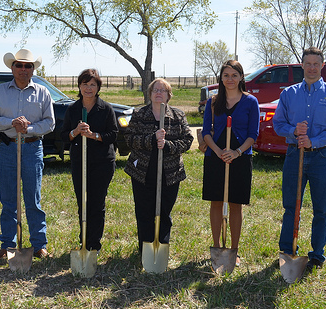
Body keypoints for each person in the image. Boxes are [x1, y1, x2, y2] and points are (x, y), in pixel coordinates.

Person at [273, 47, 326, 270]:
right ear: (302, 65)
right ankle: (287, 251)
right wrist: (294, 132)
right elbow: (278, 124)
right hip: (295, 155)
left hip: (322, 157)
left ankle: (316, 255)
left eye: (316, 63)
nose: (312, 68)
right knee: (290, 206)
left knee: (322, 209)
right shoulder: (288, 94)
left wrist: (313, 141)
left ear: (322, 65)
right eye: (308, 63)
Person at [0, 48, 55, 259]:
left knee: (33, 198)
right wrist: (11, 123)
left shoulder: (43, 93)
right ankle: (7, 244)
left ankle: (39, 244)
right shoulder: (0, 92)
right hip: (7, 148)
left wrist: (29, 129)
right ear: (12, 68)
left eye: (28, 66)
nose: (23, 69)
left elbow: (50, 123)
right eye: (19, 65)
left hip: (32, 148)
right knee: (8, 199)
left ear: (33, 69)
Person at [124, 78, 193, 253]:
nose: (158, 93)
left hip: (170, 173)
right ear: (150, 94)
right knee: (144, 212)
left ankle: (161, 247)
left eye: (163, 90)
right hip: (142, 172)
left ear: (169, 95)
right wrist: (151, 139)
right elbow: (129, 139)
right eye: (155, 90)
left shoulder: (177, 116)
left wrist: (168, 145)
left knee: (164, 213)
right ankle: (145, 249)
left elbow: (187, 141)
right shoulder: (140, 114)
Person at [202, 60, 259, 266]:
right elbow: (206, 131)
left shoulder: (251, 102)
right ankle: (217, 247)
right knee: (216, 202)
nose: (230, 79)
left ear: (241, 77)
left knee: (236, 204)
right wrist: (218, 152)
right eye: (226, 75)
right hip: (216, 157)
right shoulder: (213, 102)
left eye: (234, 75)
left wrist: (236, 152)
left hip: (240, 157)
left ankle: (234, 250)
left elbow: (253, 134)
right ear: (221, 78)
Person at [60, 69, 118, 251]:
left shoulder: (106, 109)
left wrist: (94, 135)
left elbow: (113, 134)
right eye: (85, 84)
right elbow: (63, 137)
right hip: (80, 162)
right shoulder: (73, 109)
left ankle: (94, 244)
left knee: (97, 203)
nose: (88, 88)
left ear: (98, 87)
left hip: (102, 163)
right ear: (79, 86)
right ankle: (83, 241)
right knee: (82, 202)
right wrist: (75, 132)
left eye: (92, 84)